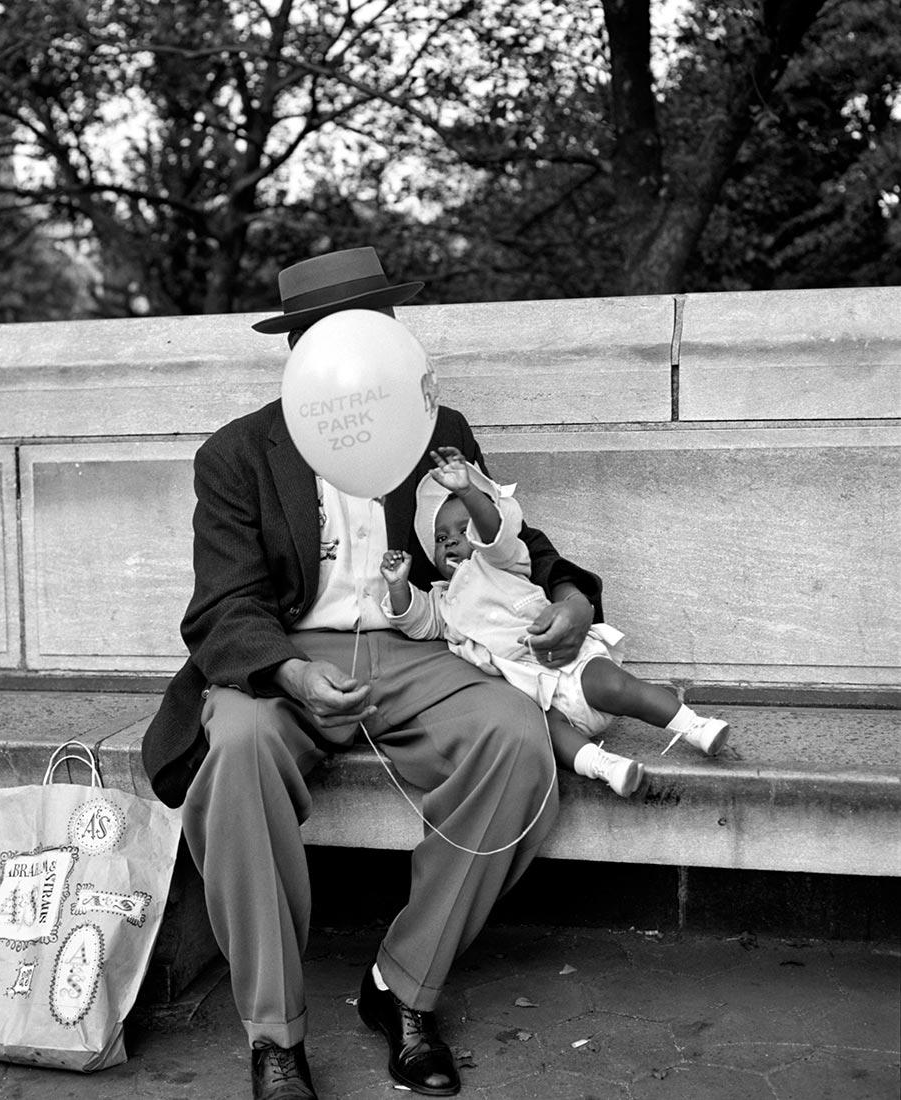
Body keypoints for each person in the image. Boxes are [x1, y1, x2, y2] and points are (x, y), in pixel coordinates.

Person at [141, 247, 604, 1100]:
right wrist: (289, 675)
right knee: (235, 755)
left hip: (418, 649)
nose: (365, 343)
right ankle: (275, 1036)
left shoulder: (437, 427)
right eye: (340, 330)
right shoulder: (238, 454)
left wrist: (569, 596)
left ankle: (403, 988)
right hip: (287, 660)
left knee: (517, 742)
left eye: (377, 323)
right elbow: (224, 608)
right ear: (303, 346)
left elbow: (509, 542)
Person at [379, 447, 730, 799]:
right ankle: (606, 766)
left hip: (569, 664)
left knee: (621, 689)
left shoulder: (502, 561)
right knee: (551, 735)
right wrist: (398, 585)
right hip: (536, 694)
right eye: (441, 538)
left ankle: (693, 726)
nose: (452, 539)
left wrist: (469, 491)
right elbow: (416, 621)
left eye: (462, 529)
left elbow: (495, 535)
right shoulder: (443, 601)